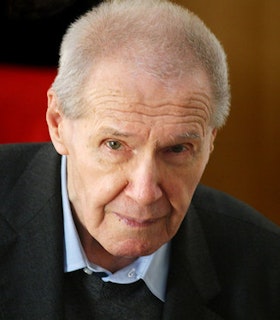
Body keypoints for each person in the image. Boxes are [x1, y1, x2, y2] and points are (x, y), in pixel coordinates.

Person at [1, 0, 280, 319]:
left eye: (177, 149)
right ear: (57, 122)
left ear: (210, 141)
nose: (145, 192)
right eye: (115, 145)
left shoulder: (266, 270)